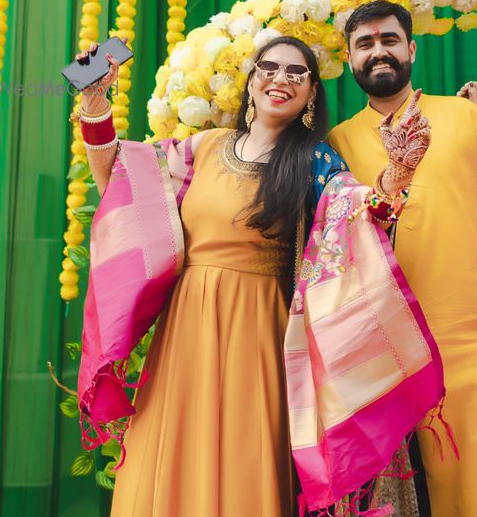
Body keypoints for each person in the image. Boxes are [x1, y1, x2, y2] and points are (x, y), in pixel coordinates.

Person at [72, 35, 438, 517]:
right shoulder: (204, 148)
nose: (280, 79)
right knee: (169, 449)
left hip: (257, 331)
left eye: (296, 73)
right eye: (270, 68)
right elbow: (121, 185)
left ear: (311, 95)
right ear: (251, 82)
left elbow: (355, 211)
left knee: (244, 454)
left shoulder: (314, 161)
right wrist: (95, 104)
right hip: (184, 329)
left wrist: (397, 175)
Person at [328, 0, 477, 517]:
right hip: (376, 350)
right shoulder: (336, 143)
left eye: (390, 40)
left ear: (411, 49)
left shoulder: (462, 118)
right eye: (366, 44)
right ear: (349, 59)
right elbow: (327, 244)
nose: (379, 52)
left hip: (468, 340)